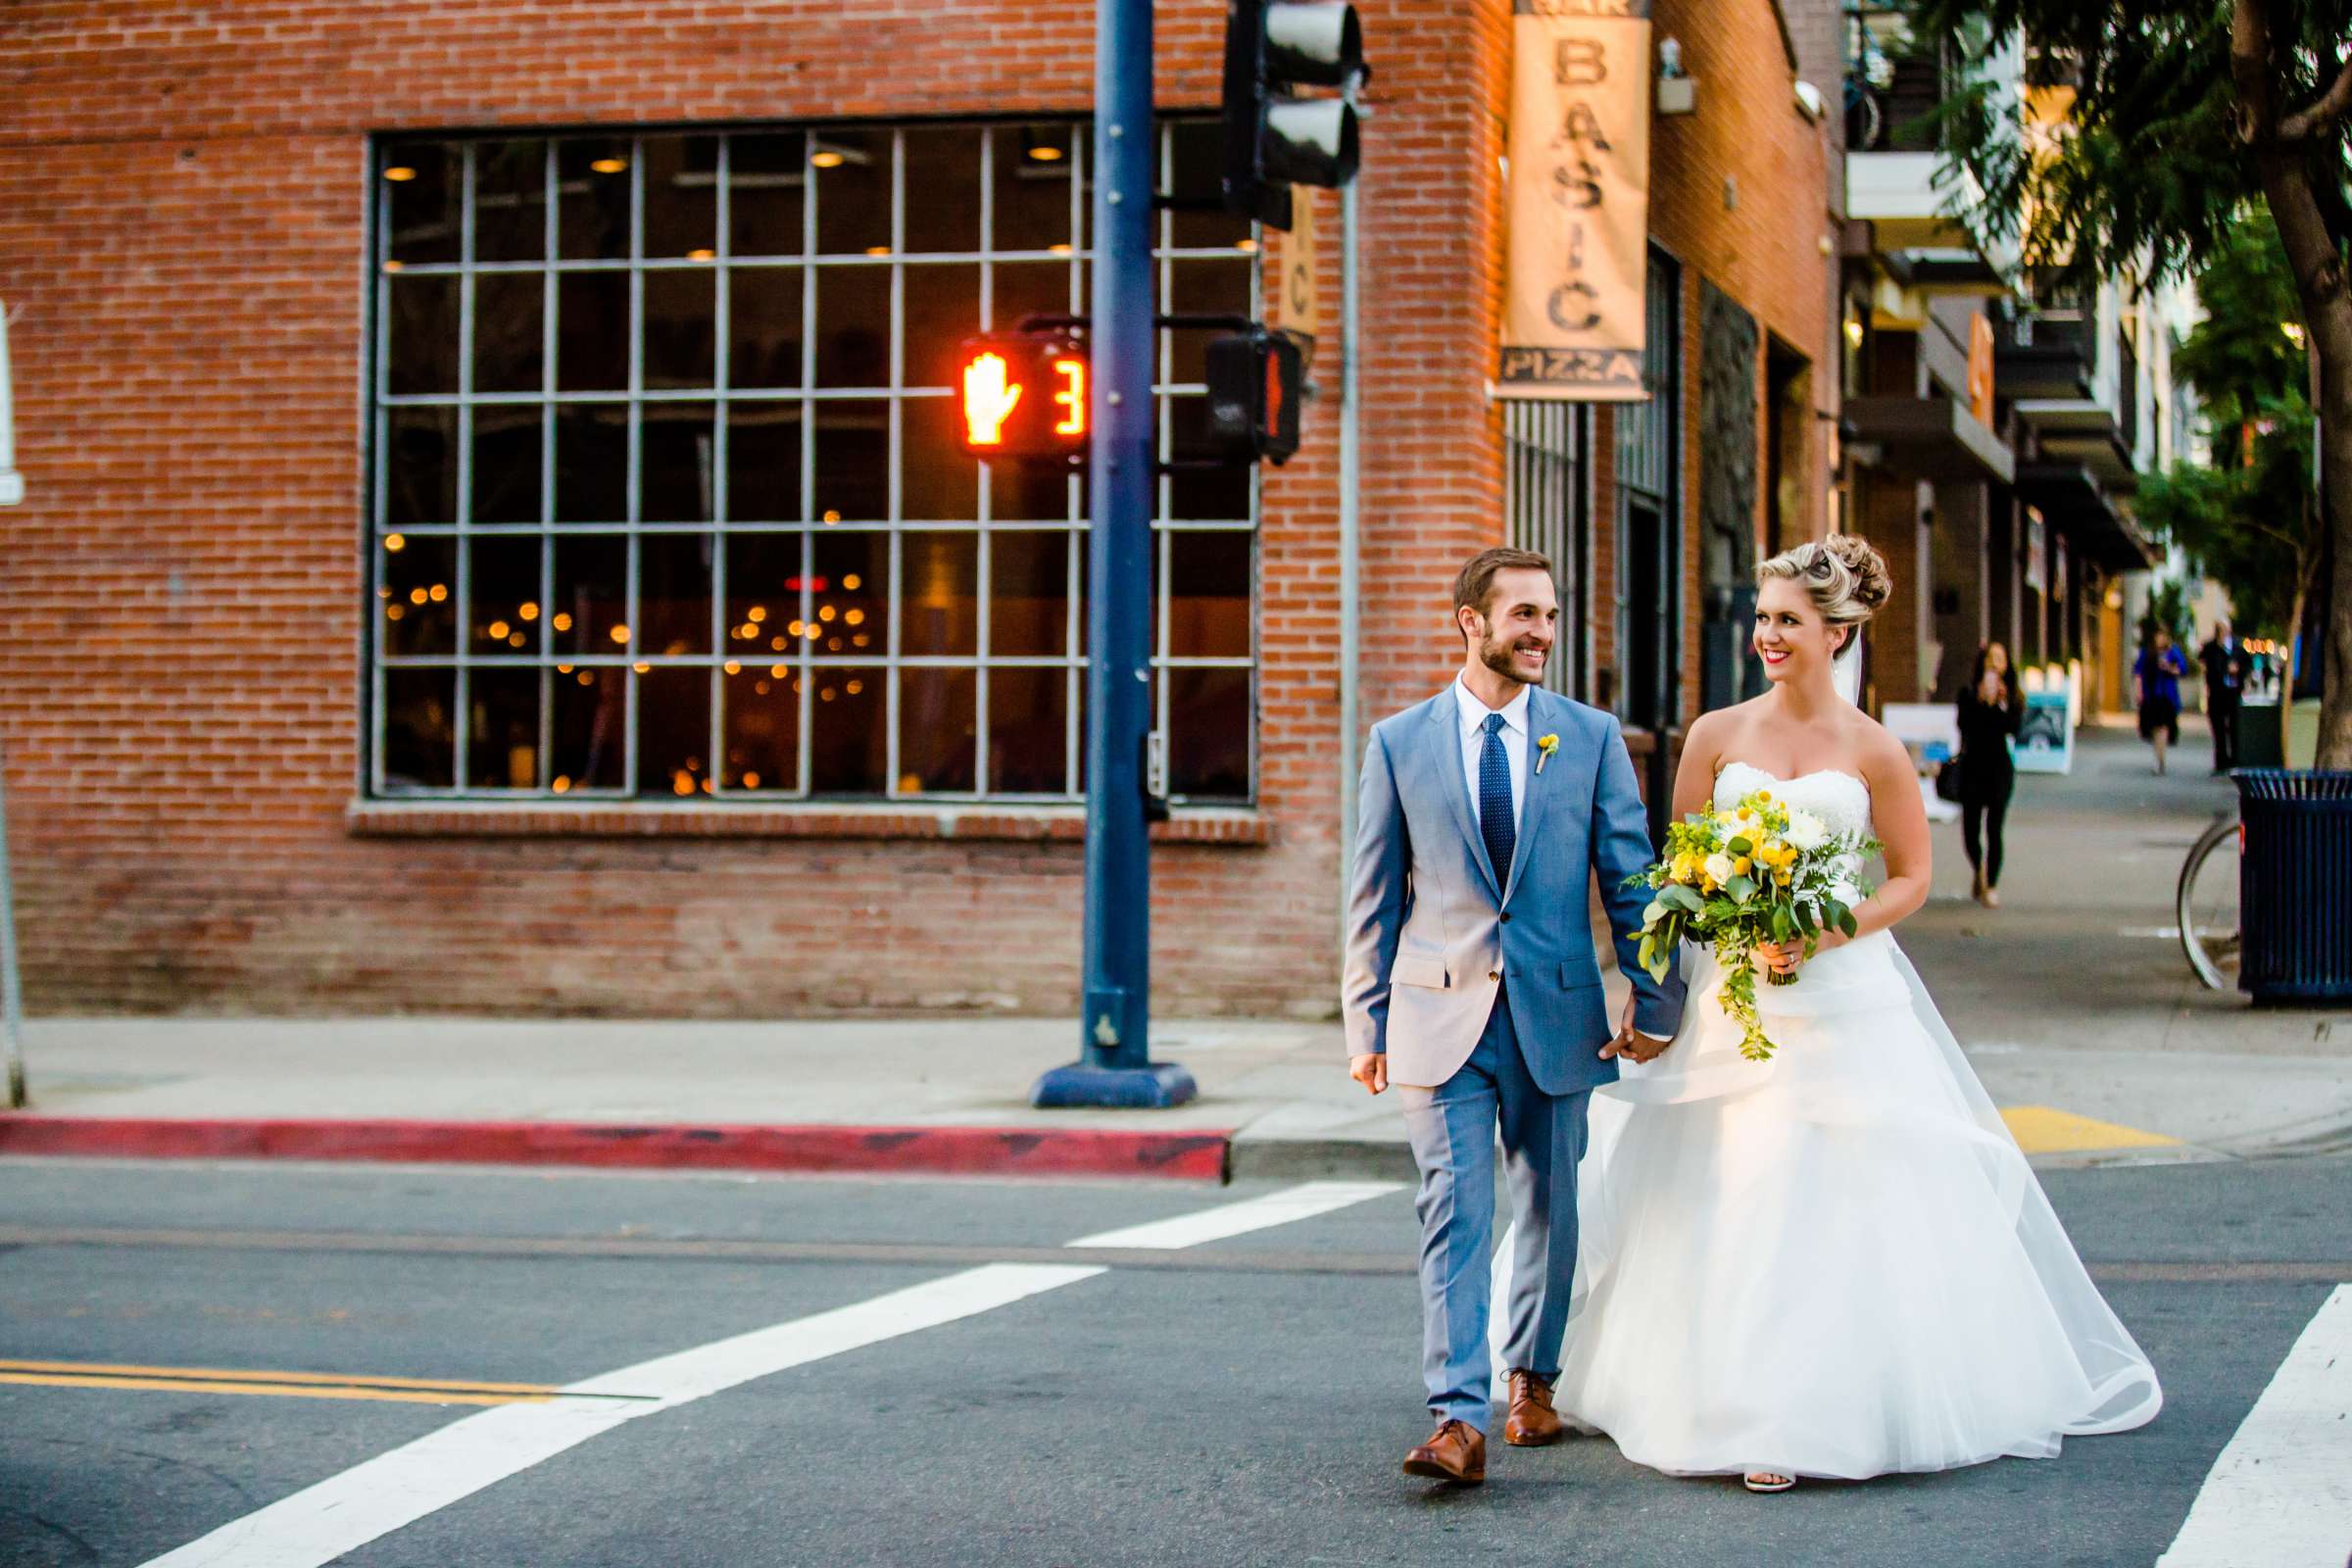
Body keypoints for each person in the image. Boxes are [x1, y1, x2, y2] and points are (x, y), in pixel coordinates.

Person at [1551, 535, 2161, 1494]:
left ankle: (1804, 1412)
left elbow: (1913, 877)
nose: (1766, 635)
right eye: (1762, 617)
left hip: (1843, 997)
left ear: (1836, 633)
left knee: (1822, 1194)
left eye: (1787, 620)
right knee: (1734, 1187)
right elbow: (1672, 871)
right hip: (1738, 995)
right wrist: (1698, 943)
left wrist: (1830, 927)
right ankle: (1723, 1397)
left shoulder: (1874, 748)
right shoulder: (1716, 735)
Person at [1341, 547, 1686, 1487]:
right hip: (1435, 1012)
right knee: (1455, 1210)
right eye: (1523, 614)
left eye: (1549, 614)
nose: (1541, 632)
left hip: (1559, 1009)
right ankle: (1456, 1418)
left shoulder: (1590, 735)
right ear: (1471, 621)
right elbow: (1372, 895)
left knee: (1550, 1204)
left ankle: (1532, 1375)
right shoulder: (1399, 742)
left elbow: (1629, 876)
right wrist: (1364, 1022)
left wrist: (1656, 998)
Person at [1954, 641, 2024, 907]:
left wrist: (2001, 704)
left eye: (2000, 658)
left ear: (2007, 665)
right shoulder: (1968, 693)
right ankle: (1978, 869)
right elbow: (1964, 725)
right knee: (1971, 830)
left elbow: (2014, 729)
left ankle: (1991, 884)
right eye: (1990, 658)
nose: (1995, 663)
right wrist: (1980, 701)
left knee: (1995, 828)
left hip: (1999, 769)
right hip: (1973, 767)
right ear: (1982, 662)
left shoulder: (2013, 695)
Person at [2133, 627, 2188, 775]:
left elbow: (2183, 669)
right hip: (2151, 695)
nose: (2160, 639)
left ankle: (2159, 759)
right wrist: (2139, 692)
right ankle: (2158, 757)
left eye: (2163, 636)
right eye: (2158, 636)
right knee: (2154, 728)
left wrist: (2169, 667)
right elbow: (2138, 672)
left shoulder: (2172, 652)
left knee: (2163, 727)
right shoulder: (2147, 653)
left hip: (2167, 696)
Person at [2198, 621, 2251, 772]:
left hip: (2232, 692)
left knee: (2234, 728)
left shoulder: (2238, 647)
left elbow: (2247, 665)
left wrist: (2238, 671)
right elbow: (2203, 660)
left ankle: (2234, 760)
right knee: (2218, 729)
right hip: (2216, 693)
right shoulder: (2211, 648)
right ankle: (2221, 761)